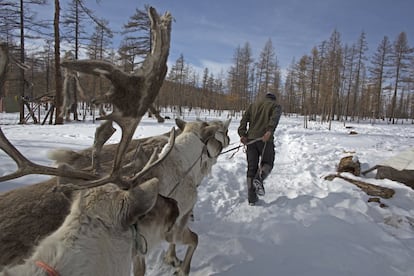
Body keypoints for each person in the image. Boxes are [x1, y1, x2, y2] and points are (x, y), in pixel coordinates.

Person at [238, 92, 282, 206]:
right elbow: (274, 119)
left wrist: (242, 134)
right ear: (273, 99)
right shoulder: (275, 106)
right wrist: (269, 131)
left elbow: (244, 119)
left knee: (251, 167)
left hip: (251, 140)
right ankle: (259, 178)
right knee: (268, 163)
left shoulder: (253, 105)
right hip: (265, 140)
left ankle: (252, 198)